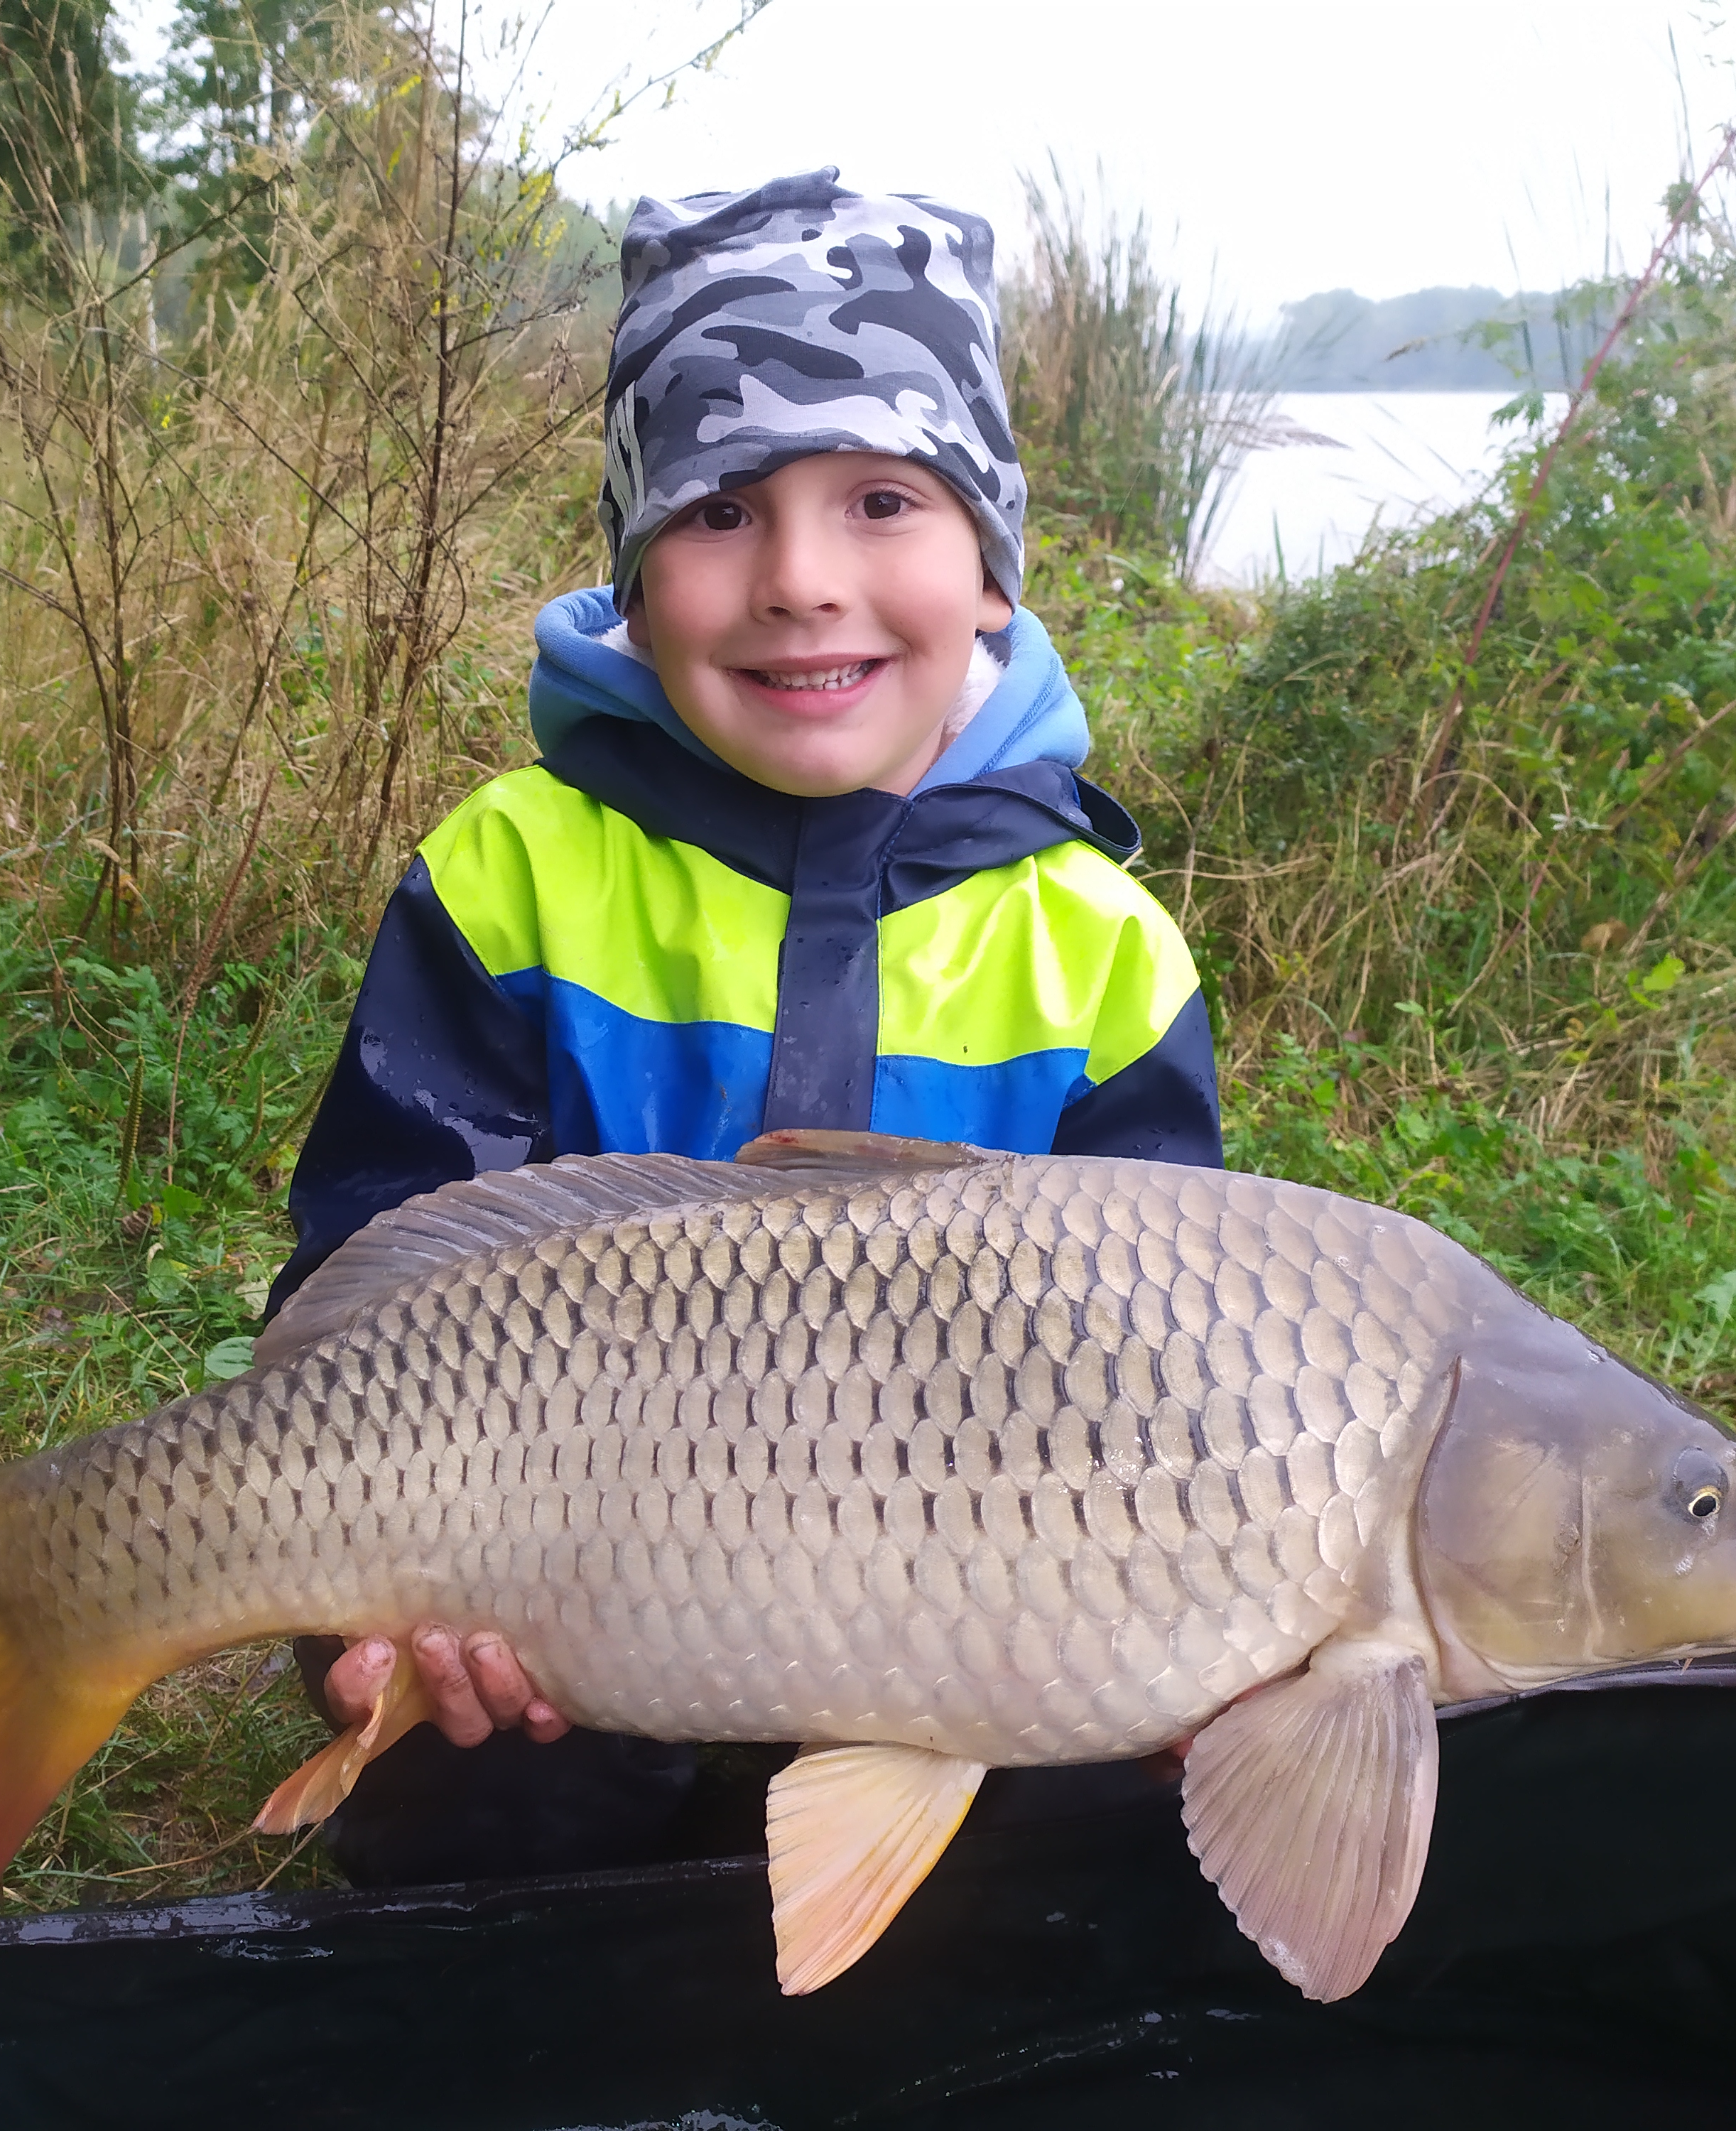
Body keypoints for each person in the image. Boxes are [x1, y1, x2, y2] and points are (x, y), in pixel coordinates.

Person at [260, 168, 1222, 1885]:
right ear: (630, 577)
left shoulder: (1104, 954)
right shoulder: (512, 874)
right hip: (564, 1593)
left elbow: (1166, 1384)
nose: (796, 581)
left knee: (1108, 1816)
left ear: (990, 571)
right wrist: (376, 1611)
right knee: (481, 1810)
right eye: (715, 511)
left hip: (966, 1615)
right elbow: (366, 1264)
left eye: (879, 503)